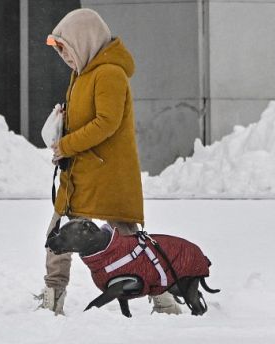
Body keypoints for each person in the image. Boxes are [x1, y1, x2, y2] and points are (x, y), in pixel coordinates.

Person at [37, 8, 181, 316]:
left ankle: (164, 296)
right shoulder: (82, 74)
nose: (66, 59)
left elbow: (107, 122)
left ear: (85, 42)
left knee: (130, 241)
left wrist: (66, 144)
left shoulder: (109, 73)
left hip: (106, 176)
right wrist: (63, 121)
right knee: (57, 235)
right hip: (79, 175)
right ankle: (53, 297)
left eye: (68, 51)